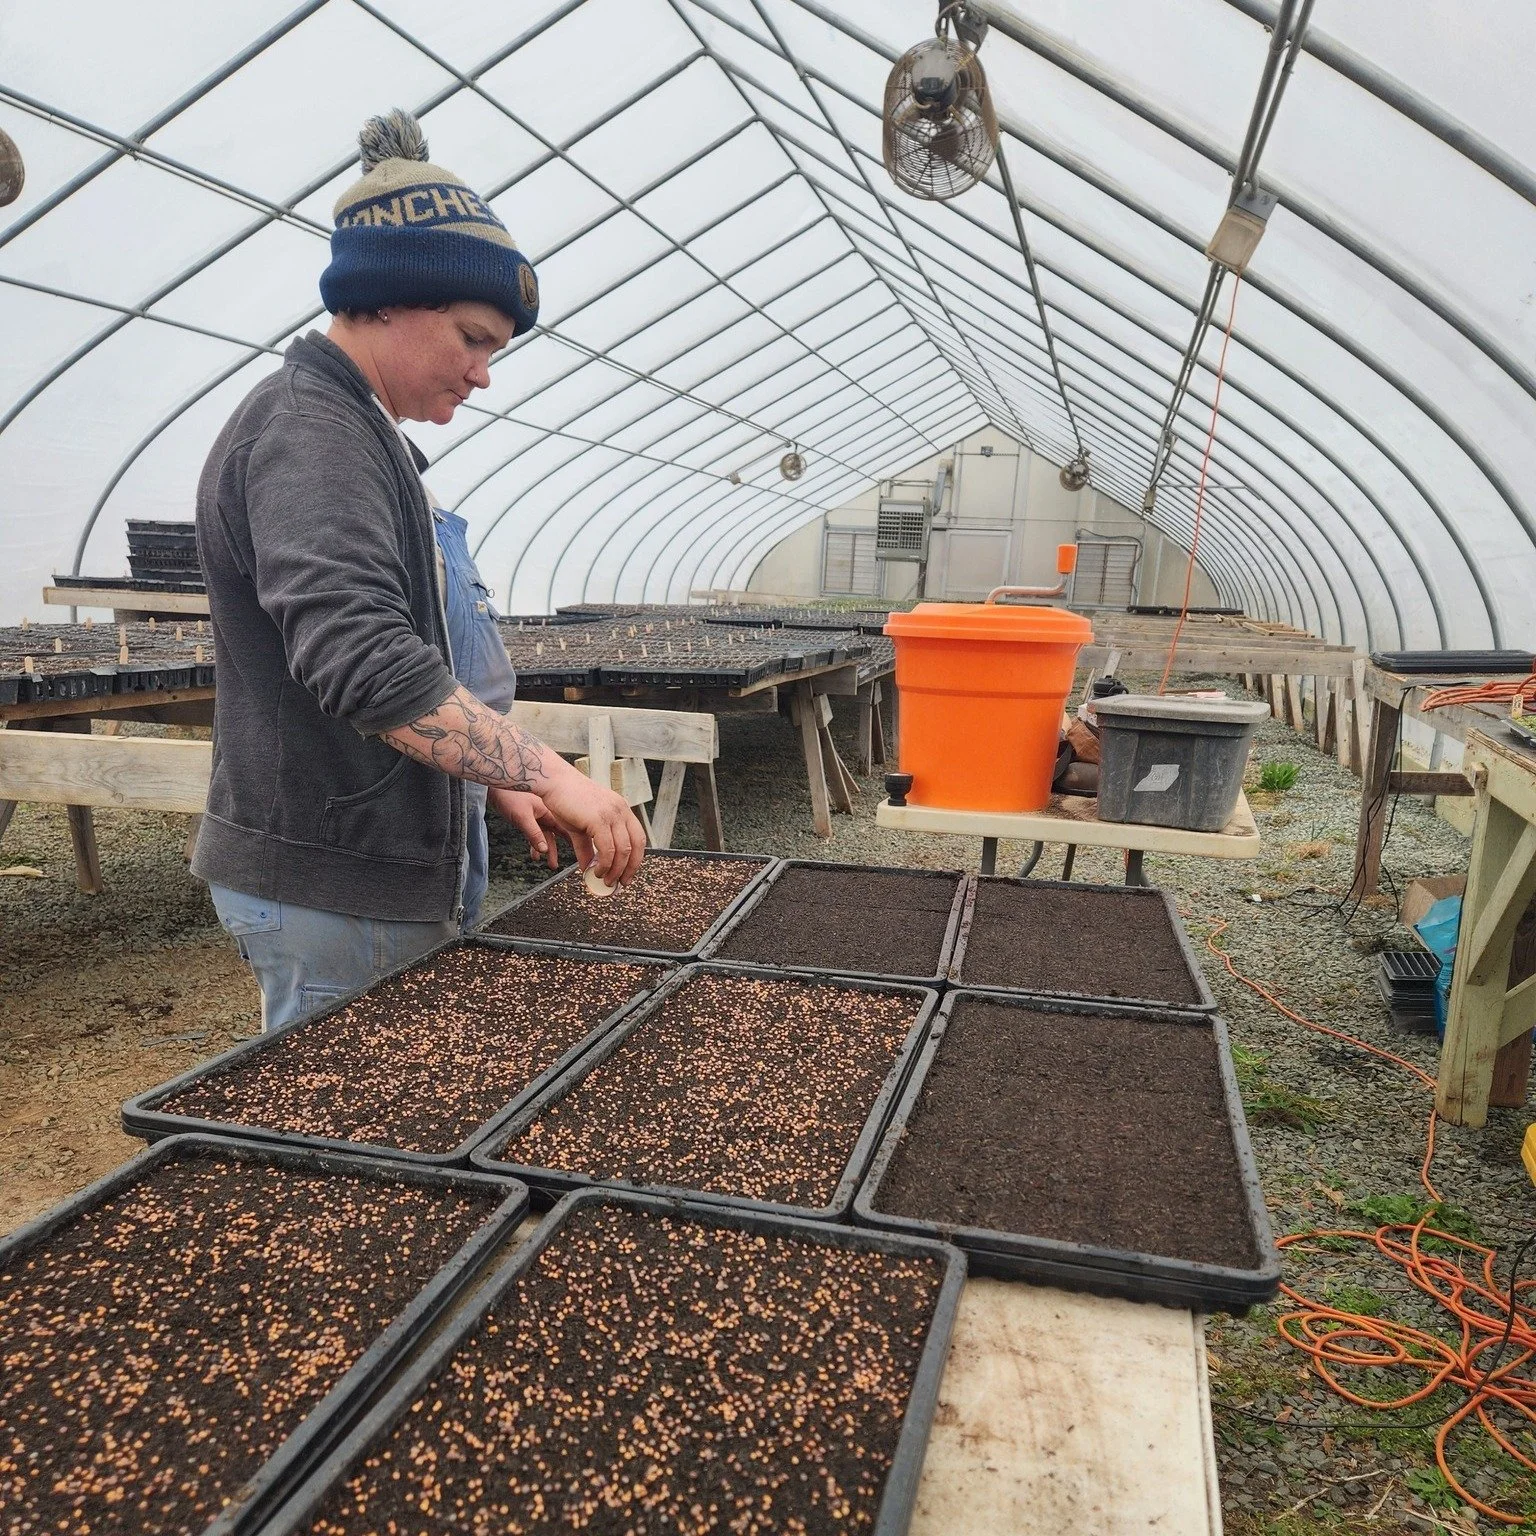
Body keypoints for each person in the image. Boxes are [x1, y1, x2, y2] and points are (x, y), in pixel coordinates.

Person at [192, 109, 646, 1031]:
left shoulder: (367, 436)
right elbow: (362, 659)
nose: (483, 373)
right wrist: (552, 773)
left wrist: (492, 778)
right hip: (335, 882)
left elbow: (406, 641)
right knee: (349, 1152)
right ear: (386, 299)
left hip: (375, 874)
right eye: (473, 338)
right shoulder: (309, 434)